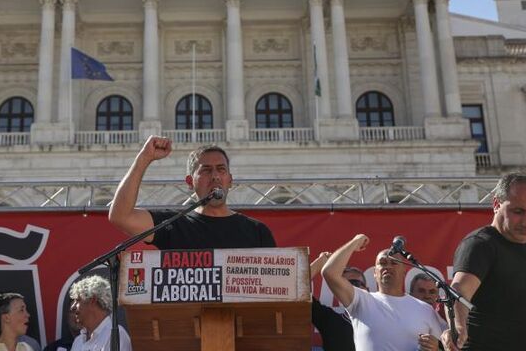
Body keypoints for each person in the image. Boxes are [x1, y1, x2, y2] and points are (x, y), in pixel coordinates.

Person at [442, 172, 526, 351]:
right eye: (518, 212)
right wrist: (458, 328)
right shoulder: (481, 244)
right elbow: (459, 292)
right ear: (496, 204)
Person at [108, 136, 275, 249]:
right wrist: (144, 157)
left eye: (221, 169)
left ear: (230, 180)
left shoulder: (257, 231)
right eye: (206, 170)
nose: (215, 176)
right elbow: (121, 217)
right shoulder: (172, 225)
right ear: (190, 182)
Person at [322, 234, 443, 351]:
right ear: (375, 273)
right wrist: (355, 242)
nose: (388, 267)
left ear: (404, 271)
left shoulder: (425, 310)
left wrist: (436, 348)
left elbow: (443, 346)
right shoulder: (361, 300)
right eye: (383, 263)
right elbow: (329, 272)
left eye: (394, 263)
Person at [68, 276, 131, 351]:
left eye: (78, 300)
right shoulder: (78, 341)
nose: (72, 307)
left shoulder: (116, 335)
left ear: (93, 300)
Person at [309, 252, 355, 351]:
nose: (350, 288)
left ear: (367, 289)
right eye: (344, 285)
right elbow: (294, 289)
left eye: (355, 283)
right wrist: (318, 264)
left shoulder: (382, 314)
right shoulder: (331, 321)